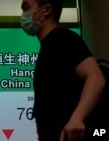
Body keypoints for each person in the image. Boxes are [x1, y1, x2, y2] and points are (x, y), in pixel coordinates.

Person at [20, 0, 106, 141]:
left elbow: (96, 78)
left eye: (26, 8)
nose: (23, 15)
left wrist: (77, 118)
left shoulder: (63, 39)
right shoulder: (48, 46)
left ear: (46, 10)